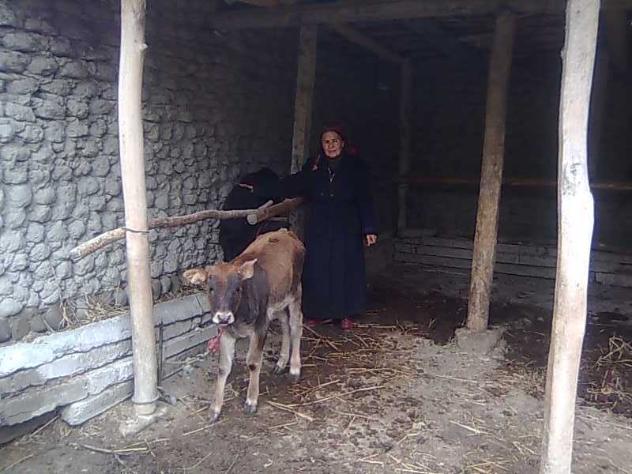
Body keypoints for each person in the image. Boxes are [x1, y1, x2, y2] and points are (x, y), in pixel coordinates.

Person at [283, 124, 378, 330]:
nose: (331, 145)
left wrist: (369, 227)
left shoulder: (355, 167)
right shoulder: (315, 165)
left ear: (342, 143)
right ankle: (318, 313)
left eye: (334, 141)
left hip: (347, 224)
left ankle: (346, 314)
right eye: (326, 142)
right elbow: (297, 184)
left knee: (346, 267)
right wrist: (266, 188)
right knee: (318, 267)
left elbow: (365, 198)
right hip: (320, 224)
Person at [218, 167, 284, 261]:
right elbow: (275, 199)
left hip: (228, 236)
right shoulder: (257, 191)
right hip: (243, 237)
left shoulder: (237, 192)